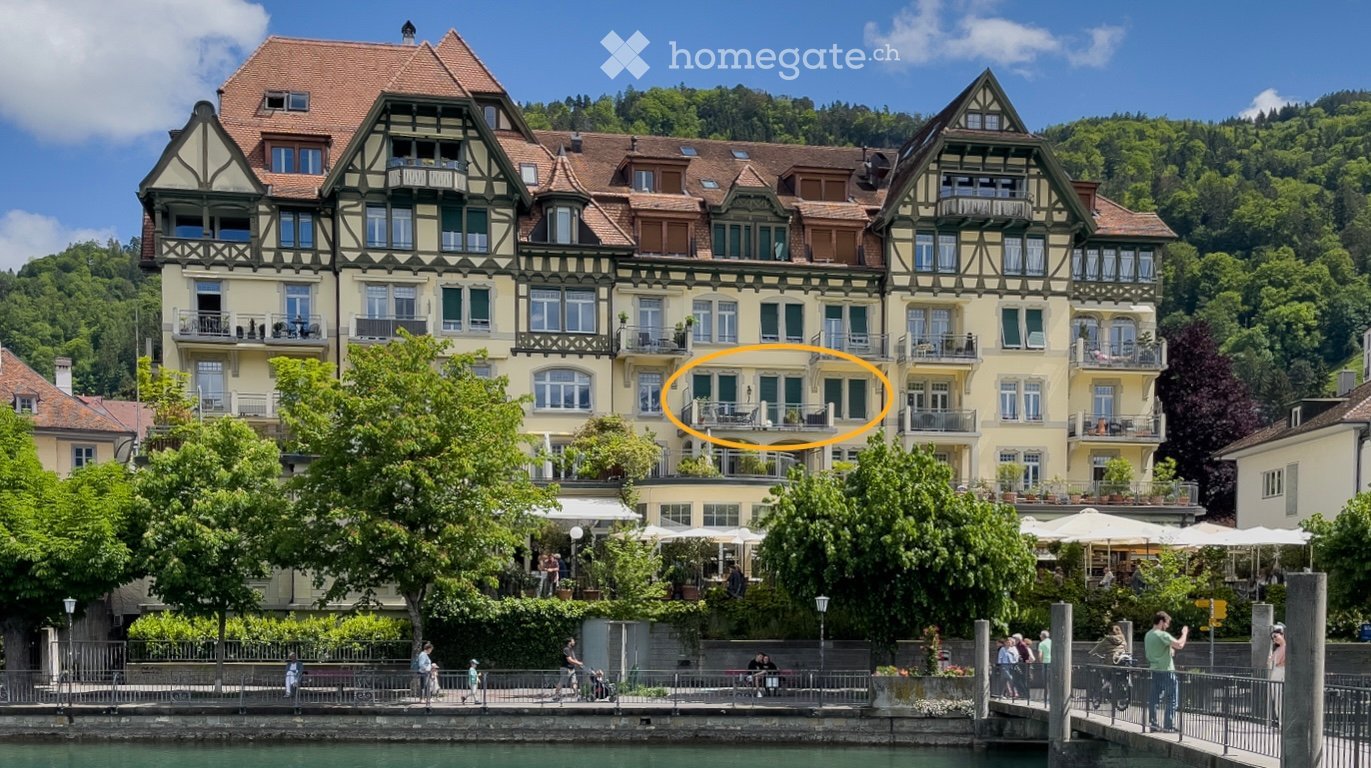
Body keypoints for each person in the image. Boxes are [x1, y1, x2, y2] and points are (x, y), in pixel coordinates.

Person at [1144, 611, 1188, 733]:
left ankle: (1153, 724)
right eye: (1167, 623)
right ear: (1162, 621)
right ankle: (1168, 726)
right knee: (1172, 698)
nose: (1167, 626)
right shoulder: (1161, 634)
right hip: (1166, 671)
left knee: (1154, 699)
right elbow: (1179, 645)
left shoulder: (1148, 635)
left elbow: (1157, 650)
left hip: (1155, 670)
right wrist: (1184, 633)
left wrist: (1169, 650)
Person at [1269, 624, 1286, 725]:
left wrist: (1280, 664)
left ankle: (1282, 722)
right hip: (1276, 673)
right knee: (1276, 698)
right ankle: (1280, 721)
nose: (1274, 639)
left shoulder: (1286, 647)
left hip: (1280, 673)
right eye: (1273, 638)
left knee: (1280, 698)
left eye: (1276, 636)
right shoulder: (1278, 649)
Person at [1038, 630, 1053, 705]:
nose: (1040, 636)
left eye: (1040, 635)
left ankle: (1046, 698)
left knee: (1046, 681)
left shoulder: (1042, 643)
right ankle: (1053, 697)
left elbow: (1040, 654)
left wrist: (1040, 661)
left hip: (1046, 663)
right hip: (1053, 663)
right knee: (1052, 681)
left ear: (1043, 636)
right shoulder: (1052, 642)